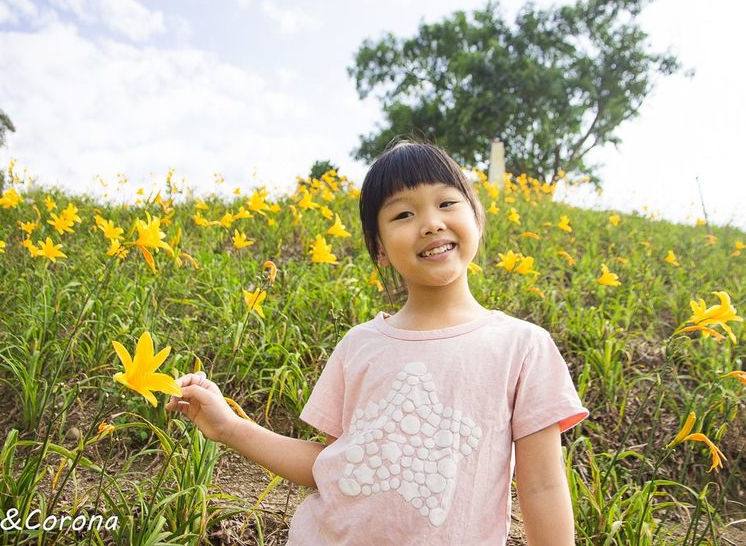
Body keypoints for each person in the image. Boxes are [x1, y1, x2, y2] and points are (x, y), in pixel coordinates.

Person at [167, 140, 589, 545]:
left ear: (477, 217)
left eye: (446, 203)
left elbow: (542, 486)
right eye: (404, 214)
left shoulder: (523, 347)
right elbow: (335, 467)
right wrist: (230, 428)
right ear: (379, 248)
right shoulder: (360, 344)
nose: (431, 223)